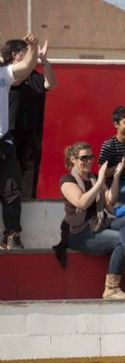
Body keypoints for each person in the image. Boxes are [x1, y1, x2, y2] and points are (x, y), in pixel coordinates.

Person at [60, 142, 125, 299]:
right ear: (73, 159)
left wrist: (116, 177)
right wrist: (99, 181)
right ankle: (111, 288)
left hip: (98, 223)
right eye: (84, 158)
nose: (89, 161)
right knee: (121, 241)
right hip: (79, 232)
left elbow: (110, 200)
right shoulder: (67, 180)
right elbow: (82, 202)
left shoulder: (94, 178)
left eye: (91, 157)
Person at [0, 34, 40, 250]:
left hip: (3, 144)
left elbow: (25, 65)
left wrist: (33, 47)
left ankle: (11, 236)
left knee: (12, 191)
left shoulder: (3, 74)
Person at [5, 38, 57, 200]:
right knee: (7, 172)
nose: (32, 56)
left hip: (32, 131)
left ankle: (28, 202)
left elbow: (51, 84)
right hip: (9, 131)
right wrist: (32, 61)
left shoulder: (35, 76)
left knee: (30, 170)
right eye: (28, 53)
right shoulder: (7, 72)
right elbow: (17, 80)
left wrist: (44, 60)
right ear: (15, 55)